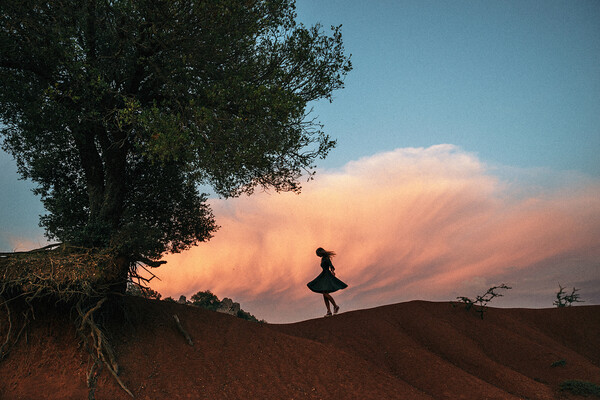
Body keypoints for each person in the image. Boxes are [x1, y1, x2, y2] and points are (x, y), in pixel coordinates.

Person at [307, 247, 348, 317]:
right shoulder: (323, 258)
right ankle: (329, 311)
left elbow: (330, 265)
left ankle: (335, 306)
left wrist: (332, 271)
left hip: (326, 275)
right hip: (323, 275)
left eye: (318, 254)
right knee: (324, 293)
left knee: (325, 293)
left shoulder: (326, 258)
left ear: (320, 252)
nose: (318, 255)